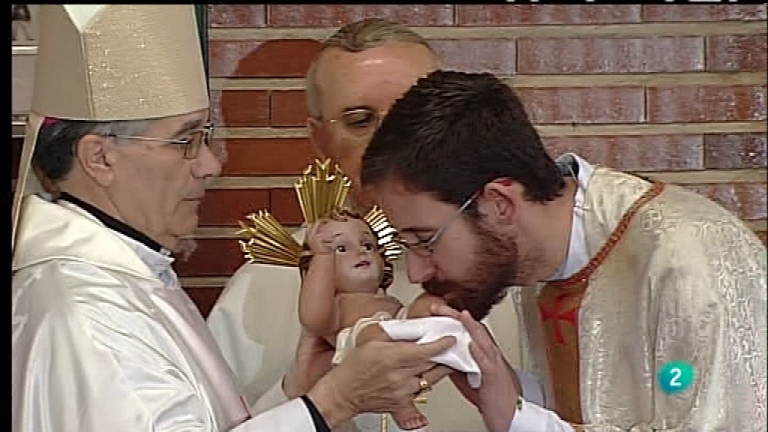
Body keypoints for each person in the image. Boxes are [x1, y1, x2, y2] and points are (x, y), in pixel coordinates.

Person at [11, 6, 457, 432]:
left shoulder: (136, 278)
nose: (210, 164)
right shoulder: (87, 314)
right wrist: (332, 403)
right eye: (186, 140)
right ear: (99, 157)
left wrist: (299, 393)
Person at [360, 69, 768, 431]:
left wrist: (518, 419)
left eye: (425, 240)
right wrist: (497, 383)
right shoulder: (539, 253)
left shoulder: (689, 255)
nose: (416, 272)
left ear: (499, 204)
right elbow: (590, 405)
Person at [207, 18, 528, 431]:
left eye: (411, 116)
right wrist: (299, 394)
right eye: (360, 120)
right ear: (319, 139)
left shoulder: (515, 265)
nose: (389, 144)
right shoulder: (262, 283)